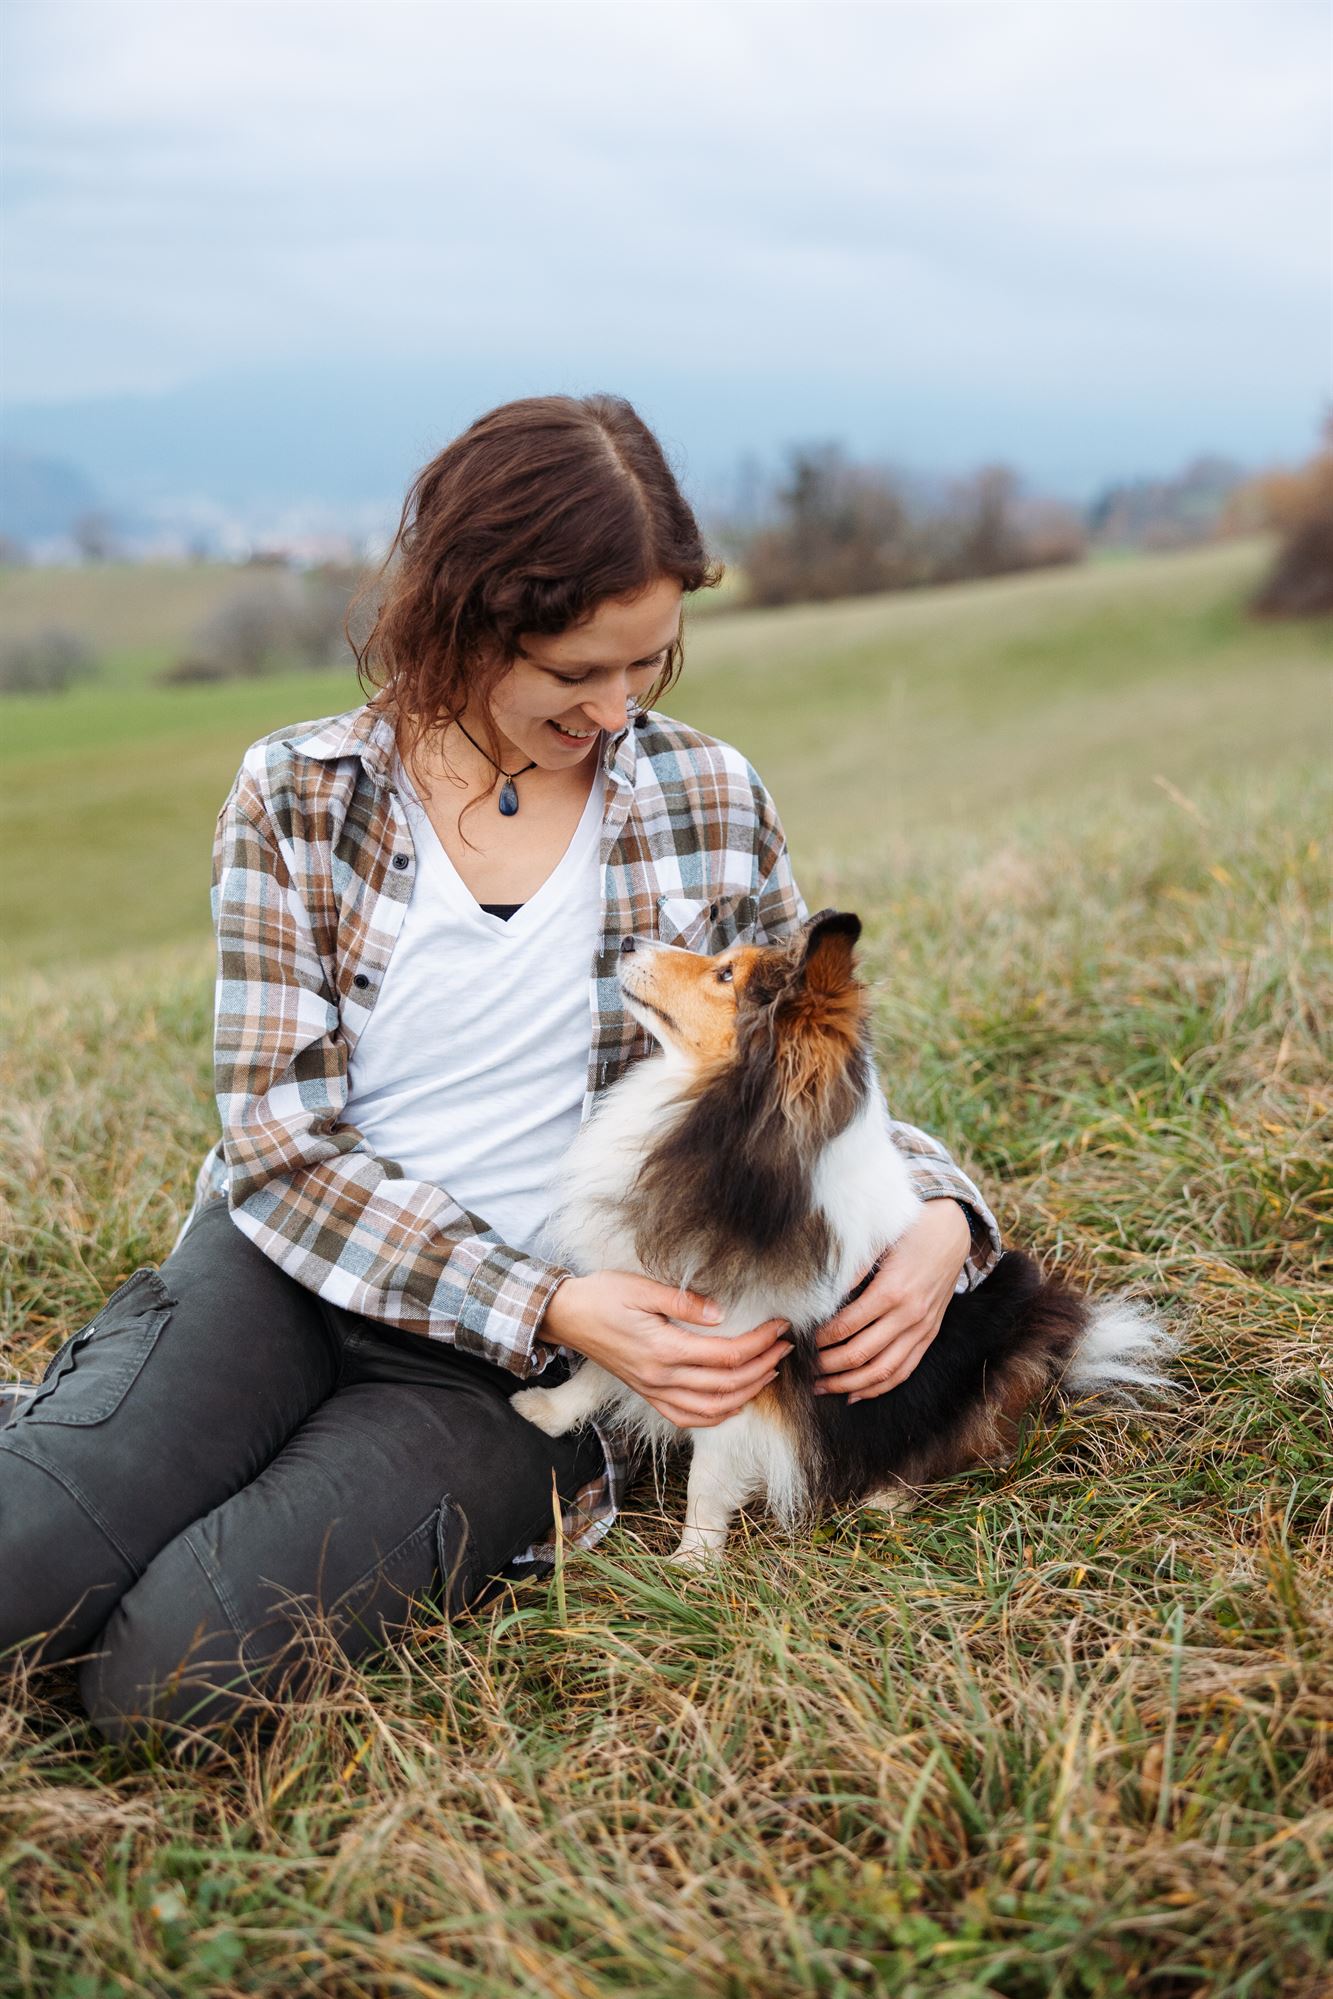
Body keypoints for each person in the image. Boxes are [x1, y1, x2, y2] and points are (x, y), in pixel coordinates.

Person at [0, 393, 1000, 1757]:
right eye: (573, 674)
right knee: (24, 1572)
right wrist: (537, 1294)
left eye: (645, 664)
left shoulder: (709, 800)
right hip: (288, 1271)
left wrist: (945, 1220)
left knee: (173, 1688)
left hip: (524, 1370)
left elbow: (795, 1085)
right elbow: (278, 1143)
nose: (616, 708)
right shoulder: (298, 795)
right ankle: (93, 1438)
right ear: (464, 623)